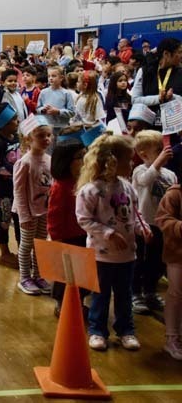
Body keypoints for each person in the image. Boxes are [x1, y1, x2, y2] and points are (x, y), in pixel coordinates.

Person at [76, 133, 148, 352]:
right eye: (128, 158)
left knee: (125, 294)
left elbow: (135, 213)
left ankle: (126, 330)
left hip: (127, 255)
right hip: (101, 255)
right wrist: (108, 233)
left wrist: (142, 228)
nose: (133, 162)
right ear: (112, 162)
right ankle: (97, 331)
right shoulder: (91, 190)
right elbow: (84, 219)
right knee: (101, 294)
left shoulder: (128, 187)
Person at [131, 130, 176, 314]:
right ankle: (135, 293)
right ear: (143, 154)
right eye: (158, 150)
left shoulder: (170, 174)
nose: (163, 152)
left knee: (157, 261)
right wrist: (157, 163)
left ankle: (150, 290)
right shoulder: (139, 170)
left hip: (161, 225)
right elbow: (144, 180)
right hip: (143, 225)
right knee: (139, 260)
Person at [47, 139, 88, 316]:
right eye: (80, 157)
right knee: (66, 275)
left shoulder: (83, 181)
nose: (85, 159)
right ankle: (63, 304)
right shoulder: (61, 187)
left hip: (82, 234)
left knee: (81, 273)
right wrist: (57, 239)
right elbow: (54, 215)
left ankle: (77, 302)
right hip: (67, 237)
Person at [13, 115, 53, 296]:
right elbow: (19, 191)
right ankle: (24, 278)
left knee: (40, 244)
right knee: (27, 244)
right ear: (29, 139)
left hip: (43, 210)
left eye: (49, 136)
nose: (47, 140)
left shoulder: (49, 159)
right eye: (41, 136)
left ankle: (38, 275)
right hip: (28, 212)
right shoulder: (25, 162)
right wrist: (24, 216)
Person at [0, 104, 20, 269]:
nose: (17, 121)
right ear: (4, 124)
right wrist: (17, 172)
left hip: (17, 187)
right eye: (14, 120)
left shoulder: (16, 137)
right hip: (2, 189)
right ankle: (5, 254)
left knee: (19, 219)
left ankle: (23, 253)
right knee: (4, 220)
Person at [155, 182, 182, 359]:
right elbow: (162, 219)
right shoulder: (174, 194)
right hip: (177, 255)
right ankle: (172, 338)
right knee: (176, 294)